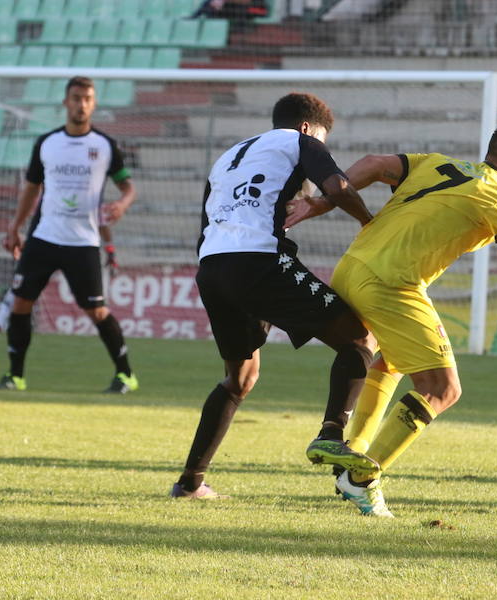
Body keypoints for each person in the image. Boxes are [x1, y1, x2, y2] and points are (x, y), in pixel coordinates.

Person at [285, 119, 497, 517]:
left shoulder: (437, 164)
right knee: (442, 387)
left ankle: (351, 452)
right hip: (391, 282)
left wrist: (320, 202)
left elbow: (372, 163)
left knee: (390, 360)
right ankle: (361, 480)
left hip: (351, 267)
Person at [170, 92, 380, 499]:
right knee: (360, 339)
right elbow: (336, 187)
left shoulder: (229, 155)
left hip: (212, 267)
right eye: (321, 139)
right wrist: (369, 221)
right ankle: (331, 434)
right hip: (258, 262)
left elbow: (211, 219)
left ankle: (190, 483)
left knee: (239, 377)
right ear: (307, 128)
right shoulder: (301, 142)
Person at [0, 76, 139, 394]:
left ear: (94, 103)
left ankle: (126, 374)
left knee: (97, 311)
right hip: (45, 237)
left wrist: (123, 203)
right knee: (21, 303)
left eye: (87, 98)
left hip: (83, 242)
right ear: (65, 102)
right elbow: (31, 188)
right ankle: (15, 376)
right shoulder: (47, 143)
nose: (81, 104)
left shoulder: (104, 145)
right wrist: (15, 227)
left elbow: (128, 186)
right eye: (76, 98)